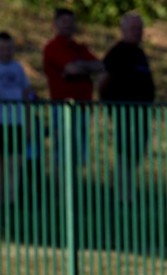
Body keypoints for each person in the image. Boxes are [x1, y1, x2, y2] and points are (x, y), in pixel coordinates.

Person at [99, 11, 156, 202]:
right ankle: (122, 195)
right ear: (123, 30)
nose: (137, 32)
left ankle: (128, 191)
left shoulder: (139, 53)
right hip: (124, 114)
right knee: (125, 153)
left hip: (142, 113)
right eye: (133, 28)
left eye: (139, 28)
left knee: (136, 152)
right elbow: (103, 79)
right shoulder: (117, 52)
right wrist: (110, 106)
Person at [43, 8, 103, 165]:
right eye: (64, 22)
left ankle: (74, 188)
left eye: (71, 22)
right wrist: (82, 67)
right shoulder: (53, 46)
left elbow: (100, 66)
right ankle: (59, 188)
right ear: (55, 24)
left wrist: (80, 65)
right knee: (62, 154)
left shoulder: (79, 47)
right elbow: (72, 68)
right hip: (63, 108)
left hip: (83, 107)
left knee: (79, 156)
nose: (68, 25)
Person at [0, 31, 35, 204]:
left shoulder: (18, 68)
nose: (6, 52)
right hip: (1, 122)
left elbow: (27, 95)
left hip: (16, 122)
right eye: (2, 48)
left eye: (9, 48)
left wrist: (28, 123)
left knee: (15, 162)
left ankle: (11, 200)